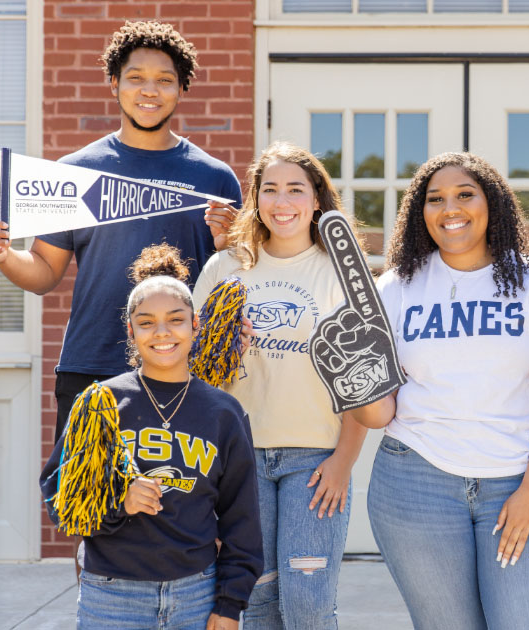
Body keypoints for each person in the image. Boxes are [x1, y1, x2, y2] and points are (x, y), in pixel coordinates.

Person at [348, 152, 529, 629]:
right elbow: (377, 416)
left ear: (491, 203)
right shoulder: (396, 288)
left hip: (518, 480)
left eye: (464, 195)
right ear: (421, 213)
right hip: (415, 483)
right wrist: (353, 375)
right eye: (435, 199)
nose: (449, 208)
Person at [0, 20, 243, 441]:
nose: (149, 91)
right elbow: (45, 271)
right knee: (82, 504)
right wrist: (5, 256)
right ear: (115, 83)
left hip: (182, 371)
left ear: (181, 88)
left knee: (172, 506)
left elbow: (236, 283)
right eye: (136, 79)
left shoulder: (217, 178)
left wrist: (228, 246)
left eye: (164, 81)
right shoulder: (75, 171)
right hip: (91, 368)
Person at [39, 244, 263, 630]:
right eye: (147, 322)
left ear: (195, 326)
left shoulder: (223, 414)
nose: (162, 333)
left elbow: (242, 522)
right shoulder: (101, 403)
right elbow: (61, 502)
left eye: (176, 320)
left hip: (196, 594)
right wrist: (118, 502)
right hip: (112, 596)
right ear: (131, 330)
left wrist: (229, 605)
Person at [192, 142, 368, 629]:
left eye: (296, 189)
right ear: (255, 199)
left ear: (317, 201)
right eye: (270, 189)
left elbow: (363, 380)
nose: (282, 201)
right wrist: (222, 351)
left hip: (316, 459)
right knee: (257, 598)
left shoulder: (342, 274)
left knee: (308, 602)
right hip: (240, 457)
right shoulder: (225, 269)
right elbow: (197, 376)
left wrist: (343, 462)